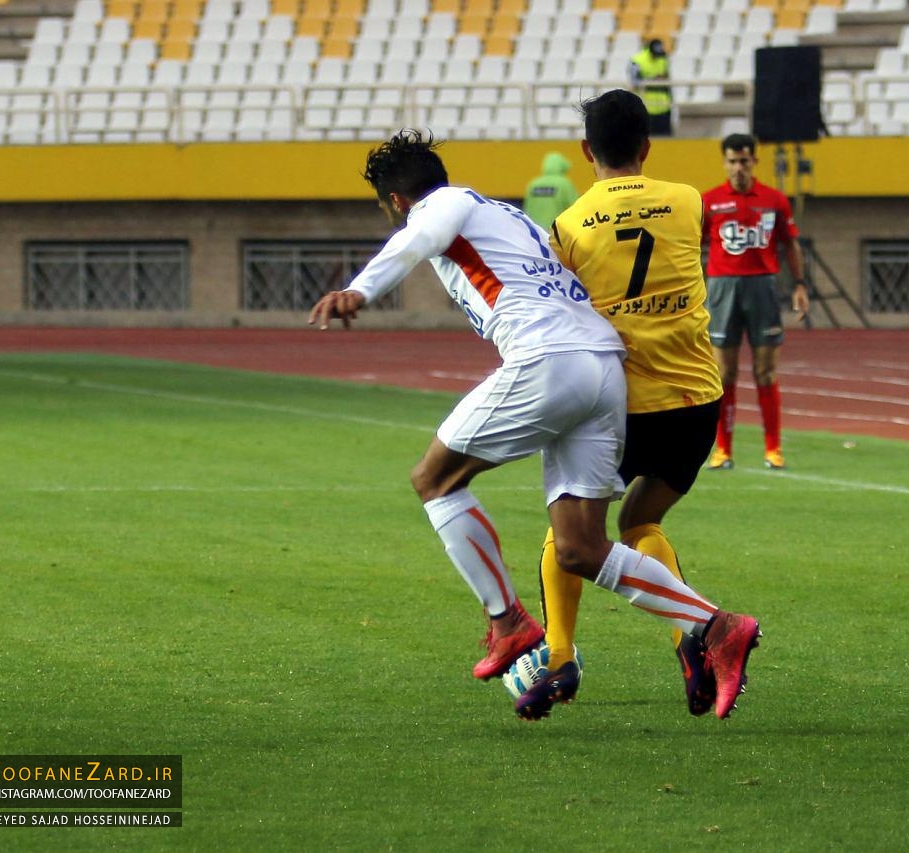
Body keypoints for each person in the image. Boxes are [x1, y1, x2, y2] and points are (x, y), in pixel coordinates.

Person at [307, 130, 760, 722]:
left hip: (549, 360)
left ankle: (508, 623)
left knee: (434, 480)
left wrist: (358, 288)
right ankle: (716, 626)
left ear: (395, 200)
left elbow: (419, 236)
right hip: (603, 367)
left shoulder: (443, 205)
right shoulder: (508, 215)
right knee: (579, 547)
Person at [542, 89, 724, 717]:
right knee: (640, 524)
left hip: (615, 408)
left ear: (586, 149)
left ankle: (559, 659)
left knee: (569, 534)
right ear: (647, 146)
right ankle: (689, 641)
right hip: (695, 404)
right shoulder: (688, 200)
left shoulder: (568, 225)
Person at [701, 132, 809, 471]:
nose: (738, 168)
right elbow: (692, 246)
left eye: (744, 161)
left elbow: (790, 243)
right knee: (724, 373)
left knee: (765, 370)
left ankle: (773, 448)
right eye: (732, 161)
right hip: (722, 288)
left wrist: (800, 284)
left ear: (754, 161)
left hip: (763, 286)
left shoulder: (774, 199)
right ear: (724, 163)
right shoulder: (709, 201)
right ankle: (723, 449)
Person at [521, 150, 578, 231]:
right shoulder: (564, 184)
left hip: (536, 231)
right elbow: (575, 207)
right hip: (557, 231)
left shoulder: (533, 184)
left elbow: (527, 208)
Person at [628, 38, 673, 137]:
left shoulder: (663, 59)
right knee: (647, 141)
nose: (657, 57)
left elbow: (667, 79)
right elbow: (634, 82)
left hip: (664, 107)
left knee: (666, 140)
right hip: (646, 108)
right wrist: (652, 79)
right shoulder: (637, 60)